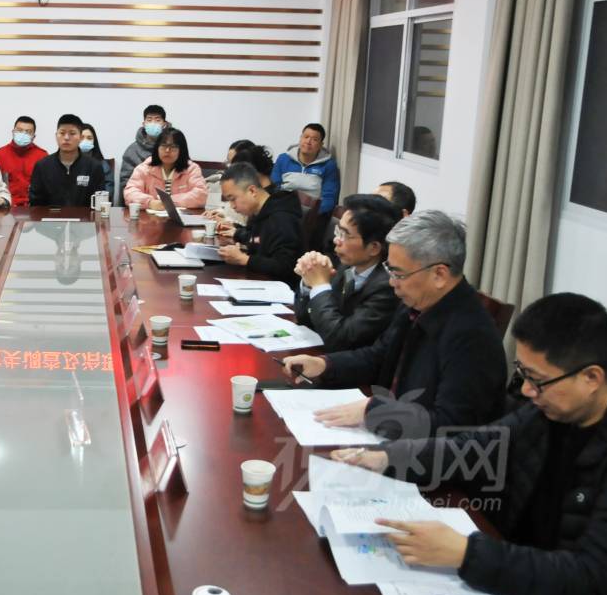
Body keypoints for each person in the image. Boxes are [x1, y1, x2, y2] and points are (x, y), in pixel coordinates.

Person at [331, 293, 607, 595]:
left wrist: (467, 554)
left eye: (537, 380)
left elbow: (596, 575)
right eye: (523, 373)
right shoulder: (555, 410)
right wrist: (388, 458)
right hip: (533, 583)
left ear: (591, 378)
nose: (527, 392)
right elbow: (478, 446)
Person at [281, 210, 506, 440]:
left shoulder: (473, 336)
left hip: (420, 453)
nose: (391, 282)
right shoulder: (418, 303)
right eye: (389, 269)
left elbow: (451, 425)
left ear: (439, 274)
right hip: (391, 434)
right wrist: (324, 365)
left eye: (398, 273)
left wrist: (375, 411)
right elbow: (379, 357)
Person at [293, 194, 400, 352]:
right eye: (338, 231)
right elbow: (305, 319)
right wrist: (309, 282)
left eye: (345, 235)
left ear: (374, 248)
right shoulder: (347, 265)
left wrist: (319, 286)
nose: (336, 240)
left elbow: (339, 339)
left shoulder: (388, 287)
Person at [217, 162, 303, 285]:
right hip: (260, 280)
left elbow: (286, 266)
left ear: (252, 191)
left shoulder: (282, 219)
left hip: (279, 289)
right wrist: (238, 234)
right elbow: (257, 238)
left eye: (233, 199)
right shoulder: (260, 212)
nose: (232, 206)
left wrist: (244, 259)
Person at [27, 113, 107, 207]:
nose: (66, 138)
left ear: (80, 137)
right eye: (62, 133)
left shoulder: (94, 166)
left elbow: (99, 202)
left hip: (84, 216)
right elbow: (35, 203)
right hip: (50, 216)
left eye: (72, 133)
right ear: (56, 136)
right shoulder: (42, 166)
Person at [123, 127, 208, 210]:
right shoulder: (144, 168)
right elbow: (130, 193)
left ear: (181, 150)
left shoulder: (192, 169)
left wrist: (169, 202)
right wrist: (150, 202)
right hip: (149, 217)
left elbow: (201, 195)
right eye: (163, 145)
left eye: (173, 146)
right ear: (157, 148)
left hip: (182, 217)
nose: (167, 150)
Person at [270, 123, 340, 215]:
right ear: (300, 138)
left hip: (312, 213)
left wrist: (314, 215)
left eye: (314, 139)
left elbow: (329, 197)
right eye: (306, 137)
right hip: (284, 209)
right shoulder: (283, 159)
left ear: (321, 145)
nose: (308, 142)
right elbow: (274, 187)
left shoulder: (329, 165)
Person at [0, 116, 47, 207]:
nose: (23, 134)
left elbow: (46, 187)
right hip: (7, 206)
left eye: (28, 132)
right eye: (19, 130)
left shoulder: (42, 156)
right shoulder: (0, 155)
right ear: (13, 132)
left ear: (33, 136)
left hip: (34, 207)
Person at [118, 104, 167, 205]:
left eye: (157, 120)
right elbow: (126, 184)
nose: (153, 123)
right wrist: (149, 202)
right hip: (140, 204)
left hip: (170, 203)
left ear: (164, 124)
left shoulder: (174, 148)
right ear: (144, 124)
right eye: (149, 120)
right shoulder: (132, 151)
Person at [79, 123, 114, 200]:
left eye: (89, 138)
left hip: (96, 204)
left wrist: (99, 202)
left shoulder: (102, 164)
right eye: (82, 137)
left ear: (94, 141)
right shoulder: (68, 162)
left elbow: (108, 188)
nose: (85, 141)